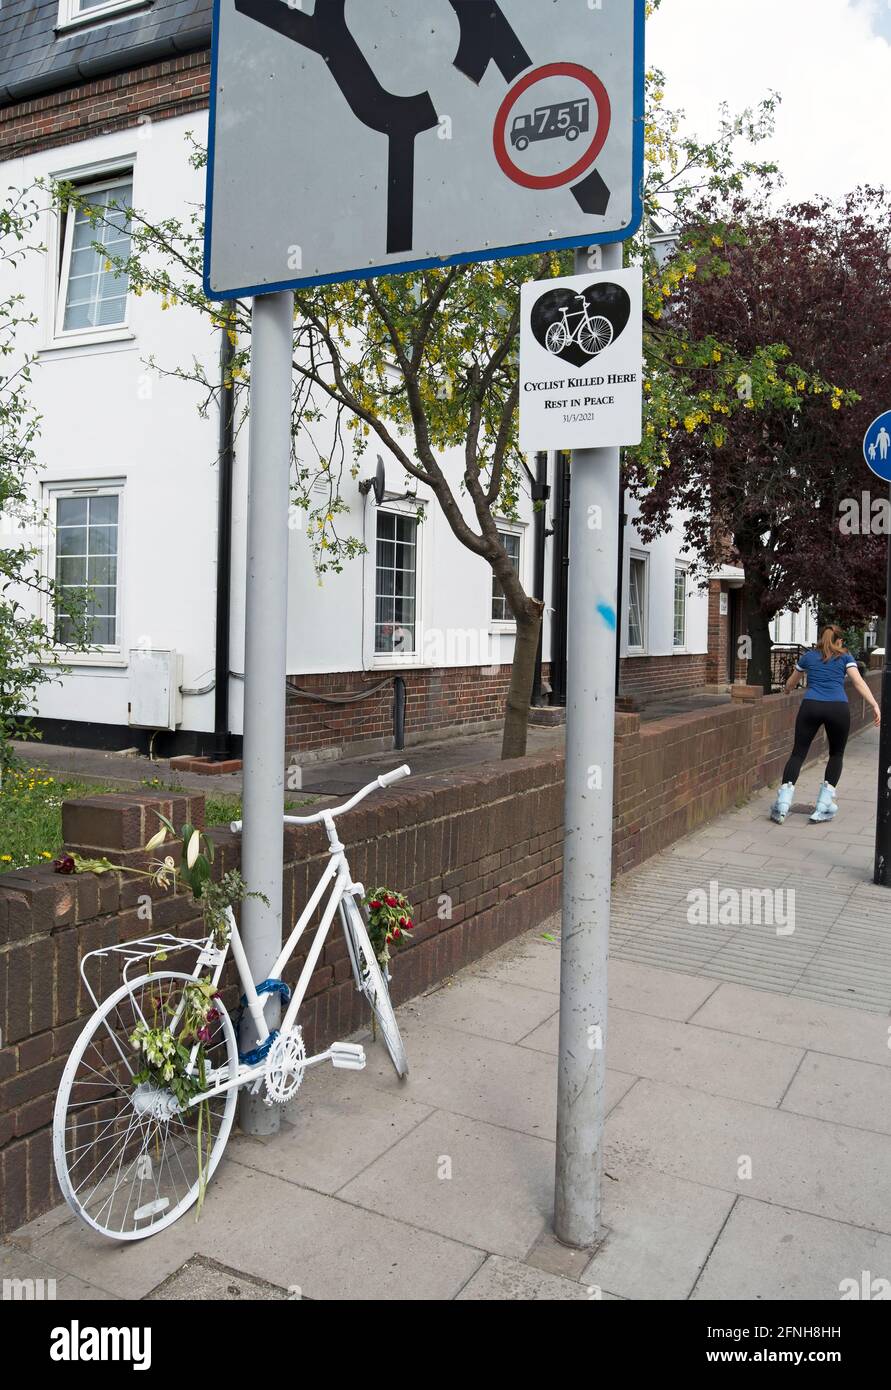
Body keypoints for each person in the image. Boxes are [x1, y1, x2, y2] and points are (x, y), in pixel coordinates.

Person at [770, 625, 881, 825]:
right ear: (839, 641)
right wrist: (874, 704)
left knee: (798, 754)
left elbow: (792, 682)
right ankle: (823, 806)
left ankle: (782, 804)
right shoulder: (845, 657)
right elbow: (858, 682)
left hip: (811, 706)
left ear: (822, 638)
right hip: (838, 708)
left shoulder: (809, 657)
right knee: (836, 754)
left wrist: (786, 690)